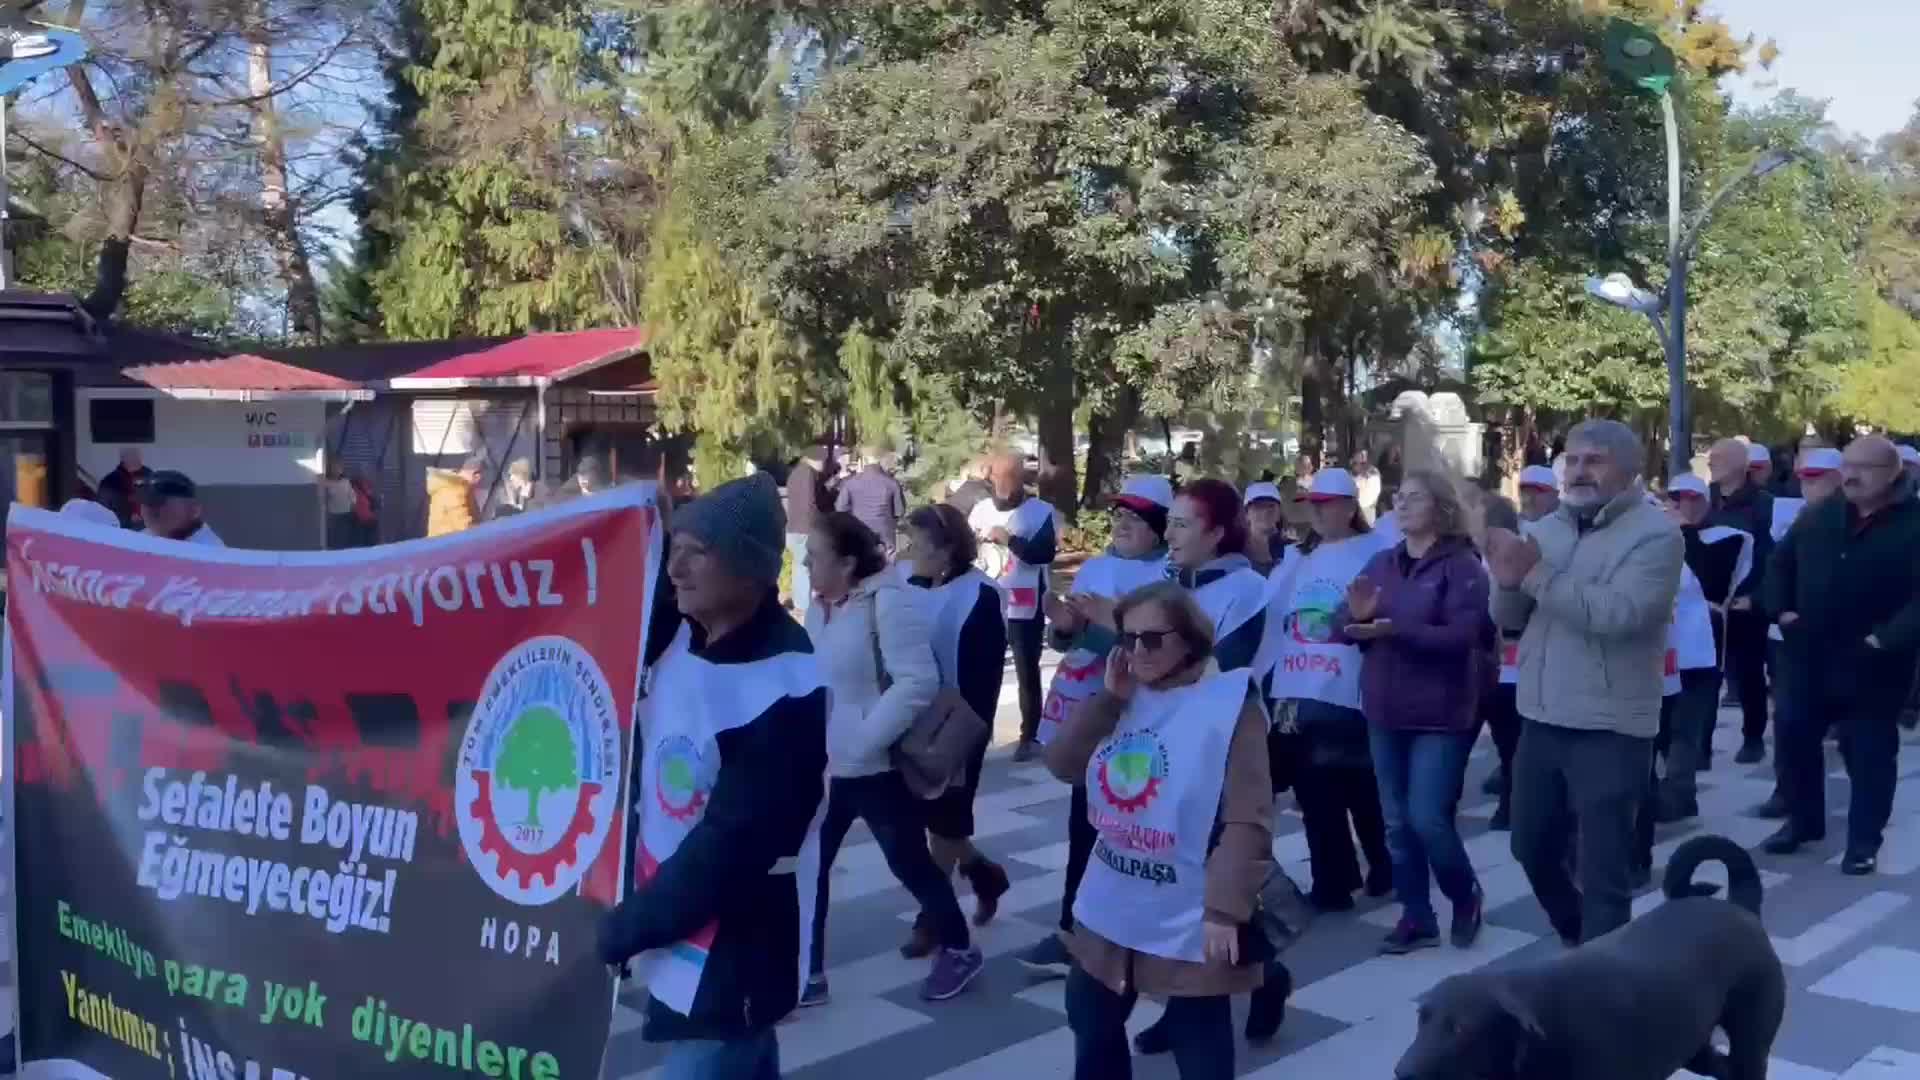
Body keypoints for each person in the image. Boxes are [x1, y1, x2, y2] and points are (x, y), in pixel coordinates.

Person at [598, 474, 827, 1080]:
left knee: (724, 1049)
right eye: (673, 549)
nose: (675, 569)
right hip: (679, 924)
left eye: (696, 552)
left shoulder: (784, 682)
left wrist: (618, 931)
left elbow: (731, 849)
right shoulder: (682, 633)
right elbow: (605, 631)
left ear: (749, 570)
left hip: (736, 948)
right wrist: (634, 521)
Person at [1047, 582, 1273, 1080]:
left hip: (1189, 907)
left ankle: (1270, 985)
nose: (1136, 652)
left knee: (1199, 1041)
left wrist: (1224, 909)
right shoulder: (1126, 693)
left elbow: (1248, 817)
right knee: (1091, 1020)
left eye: (1153, 639)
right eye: (1127, 639)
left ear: (1190, 638)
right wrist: (1108, 701)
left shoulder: (1231, 703)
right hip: (1112, 898)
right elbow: (1062, 765)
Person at [1487, 418, 1682, 946]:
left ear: (1629, 468)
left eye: (1593, 460)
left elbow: (1622, 615)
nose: (1578, 471)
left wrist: (1533, 576)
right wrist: (1505, 580)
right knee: (1529, 846)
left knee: (1603, 871)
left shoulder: (1657, 534)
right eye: (1571, 460)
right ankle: (1580, 939)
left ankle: (1604, 991)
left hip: (1611, 725)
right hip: (1542, 715)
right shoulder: (1546, 528)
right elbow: (1510, 617)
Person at [802, 512, 984, 1003]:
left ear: (846, 562)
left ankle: (961, 948)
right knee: (809, 865)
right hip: (825, 765)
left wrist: (865, 738)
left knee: (908, 864)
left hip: (873, 765)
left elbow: (918, 681)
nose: (804, 565)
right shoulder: (820, 605)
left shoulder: (886, 601)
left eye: (814, 557)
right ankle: (808, 971)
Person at [1020, 475, 1172, 979]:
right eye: (1119, 516)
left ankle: (1146, 934)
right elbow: (1069, 644)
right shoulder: (1097, 567)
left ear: (1159, 527)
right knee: (1084, 821)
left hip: (1146, 723)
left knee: (1139, 828)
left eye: (1135, 518)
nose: (1122, 525)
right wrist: (1063, 627)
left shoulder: (1172, 577)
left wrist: (1112, 622)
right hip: (1090, 717)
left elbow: (1164, 651)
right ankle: (1073, 928)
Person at [1335, 469, 1490, 954]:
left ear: (1441, 508)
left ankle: (1465, 896)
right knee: (1396, 823)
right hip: (1384, 708)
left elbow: (1461, 638)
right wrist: (1356, 622)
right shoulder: (1383, 561)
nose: (1400, 505)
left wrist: (1390, 629)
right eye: (1398, 497)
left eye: (1413, 498)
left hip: (1441, 713)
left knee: (1428, 818)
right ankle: (1417, 918)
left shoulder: (1462, 566)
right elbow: (1344, 624)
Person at [1762, 436, 1920, 876]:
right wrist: (1782, 610)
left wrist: (1887, 639)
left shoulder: (1914, 523)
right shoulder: (1821, 514)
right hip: (1808, 653)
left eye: (1864, 467)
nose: (1851, 475)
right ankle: (1804, 822)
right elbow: (1779, 563)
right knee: (1793, 738)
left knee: (1867, 752)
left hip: (1873, 662)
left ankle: (1863, 842)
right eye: (1847, 465)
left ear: (1893, 474)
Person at [1261, 468, 1391, 912]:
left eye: (1326, 504)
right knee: (1314, 788)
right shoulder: (1299, 557)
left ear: (1350, 508)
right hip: (1297, 692)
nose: (1316, 512)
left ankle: (1383, 863)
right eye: (1311, 504)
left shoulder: (1378, 552)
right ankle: (1332, 881)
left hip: (1352, 690)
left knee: (1361, 785)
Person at [900, 503, 1012, 952]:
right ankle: (986, 876)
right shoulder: (909, 586)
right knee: (931, 819)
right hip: (911, 718)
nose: (909, 552)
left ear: (946, 549)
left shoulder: (981, 596)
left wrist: (967, 738)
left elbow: (984, 677)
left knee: (946, 818)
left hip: (959, 725)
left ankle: (934, 914)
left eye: (918, 545)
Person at [1750, 446, 1844, 821]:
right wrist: (1780, 610)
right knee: (1789, 722)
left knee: (1857, 735)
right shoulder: (1788, 515)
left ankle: (1866, 813)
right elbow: (1773, 567)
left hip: (1843, 640)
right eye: (1804, 476)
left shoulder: (1858, 521)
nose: (1808, 484)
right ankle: (1789, 796)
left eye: (1817, 477)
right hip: (1791, 639)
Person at [1651, 473, 1750, 822]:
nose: (1683, 505)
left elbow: (1712, 579)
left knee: (1685, 725)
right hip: (1660, 647)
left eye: (1691, 499)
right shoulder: (1654, 539)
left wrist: (1684, 533)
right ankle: (1667, 790)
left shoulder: (1727, 538)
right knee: (1659, 726)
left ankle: (1680, 794)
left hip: (1701, 648)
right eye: (1676, 499)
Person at [969, 453, 1060, 762]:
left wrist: (1009, 539)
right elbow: (966, 552)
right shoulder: (980, 511)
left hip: (1026, 604)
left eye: (1010, 480)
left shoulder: (1040, 512)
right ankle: (978, 735)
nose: (1003, 487)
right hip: (987, 602)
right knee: (983, 671)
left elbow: (1043, 554)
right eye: (997, 480)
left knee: (1026, 672)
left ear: (1022, 480)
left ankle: (1029, 735)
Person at [1706, 438, 1777, 766]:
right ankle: (1699, 744)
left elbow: (1772, 558)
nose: (1711, 462)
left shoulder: (1764, 505)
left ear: (1740, 463)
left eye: (1718, 457)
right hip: (1708, 605)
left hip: (1746, 604)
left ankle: (1753, 737)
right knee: (1704, 675)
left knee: (1749, 673)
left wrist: (1757, 597)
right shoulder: (1705, 501)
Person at [1479, 495, 1524, 829]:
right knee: (1507, 741)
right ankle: (1511, 799)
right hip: (1491, 668)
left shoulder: (1516, 557)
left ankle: (1513, 803)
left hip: (1514, 665)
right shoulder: (1473, 557)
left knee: (1512, 742)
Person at [835, 446, 908, 556]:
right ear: (880, 460)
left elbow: (840, 508)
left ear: (864, 460)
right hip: (885, 537)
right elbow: (900, 511)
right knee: (886, 570)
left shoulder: (850, 483)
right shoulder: (892, 483)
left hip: (859, 535)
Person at [786, 446, 831, 616]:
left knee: (800, 566)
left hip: (793, 528)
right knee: (806, 566)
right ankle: (804, 606)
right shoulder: (807, 474)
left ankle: (800, 603)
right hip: (805, 528)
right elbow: (809, 505)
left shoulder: (795, 473)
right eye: (823, 461)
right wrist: (820, 523)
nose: (824, 464)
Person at [139, 471, 224, 546]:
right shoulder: (140, 539)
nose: (150, 509)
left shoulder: (211, 553)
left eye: (159, 502)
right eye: (146, 501)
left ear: (194, 510)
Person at [426, 455, 484, 537]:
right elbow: (463, 526)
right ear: (477, 475)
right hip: (446, 545)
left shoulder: (452, 487)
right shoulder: (454, 490)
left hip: (444, 543)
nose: (480, 482)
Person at [96, 447, 152, 528]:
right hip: (122, 528)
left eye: (137, 456)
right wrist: (128, 517)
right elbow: (103, 508)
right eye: (131, 457)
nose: (136, 460)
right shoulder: (109, 481)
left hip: (148, 527)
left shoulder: (149, 476)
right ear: (123, 459)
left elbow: (158, 499)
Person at [1242, 481, 1288, 575]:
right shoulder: (1236, 551)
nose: (1265, 512)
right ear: (1246, 514)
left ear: (1279, 512)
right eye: (1258, 506)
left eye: (1271, 506)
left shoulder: (1292, 551)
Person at [321, 460, 358, 547]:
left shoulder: (346, 481)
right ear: (330, 470)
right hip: (333, 513)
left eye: (338, 468)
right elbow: (324, 498)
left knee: (345, 535)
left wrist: (353, 503)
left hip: (346, 512)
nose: (336, 470)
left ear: (341, 470)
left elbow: (352, 494)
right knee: (334, 536)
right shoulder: (326, 482)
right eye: (334, 468)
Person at [1351, 449, 1382, 525]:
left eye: (1362, 463)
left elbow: (1367, 498)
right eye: (1355, 463)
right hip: (1354, 511)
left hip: (1366, 511)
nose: (1358, 466)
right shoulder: (1352, 475)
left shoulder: (1373, 474)